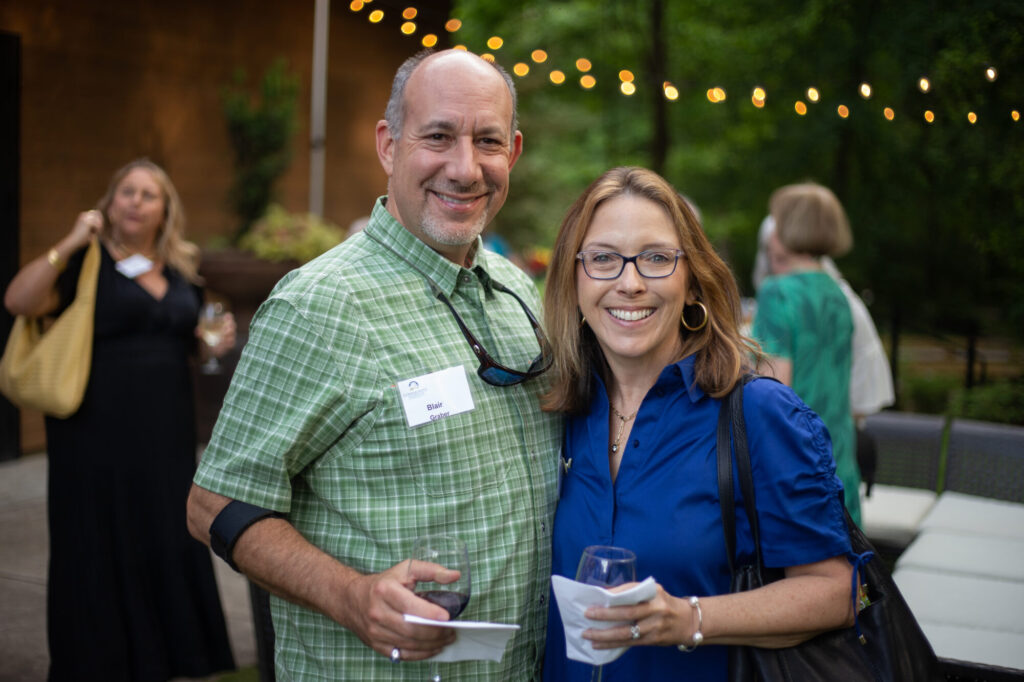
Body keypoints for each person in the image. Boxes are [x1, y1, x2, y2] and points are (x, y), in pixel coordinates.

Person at [185, 49, 561, 680]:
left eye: (487, 141)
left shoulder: (518, 291)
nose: (465, 168)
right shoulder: (317, 306)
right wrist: (350, 596)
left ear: (513, 153)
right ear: (389, 145)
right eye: (437, 136)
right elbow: (213, 504)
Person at [541, 167, 854, 680]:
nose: (630, 283)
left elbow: (835, 592)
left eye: (656, 258)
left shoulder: (759, 414)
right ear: (574, 281)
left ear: (691, 283)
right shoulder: (560, 411)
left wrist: (690, 619)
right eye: (602, 259)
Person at [3, 159, 237, 681]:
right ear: (109, 204)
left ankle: (171, 657)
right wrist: (70, 241)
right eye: (126, 192)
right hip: (93, 434)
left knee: (167, 534)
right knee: (96, 542)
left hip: (166, 434)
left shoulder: (181, 269)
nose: (135, 201)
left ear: (165, 210)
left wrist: (208, 347)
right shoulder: (85, 263)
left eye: (148, 194)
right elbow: (18, 300)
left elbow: (190, 344)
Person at [751, 183, 861, 523]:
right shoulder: (837, 292)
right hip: (840, 459)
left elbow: (772, 392)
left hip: (796, 466)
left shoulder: (777, 292)